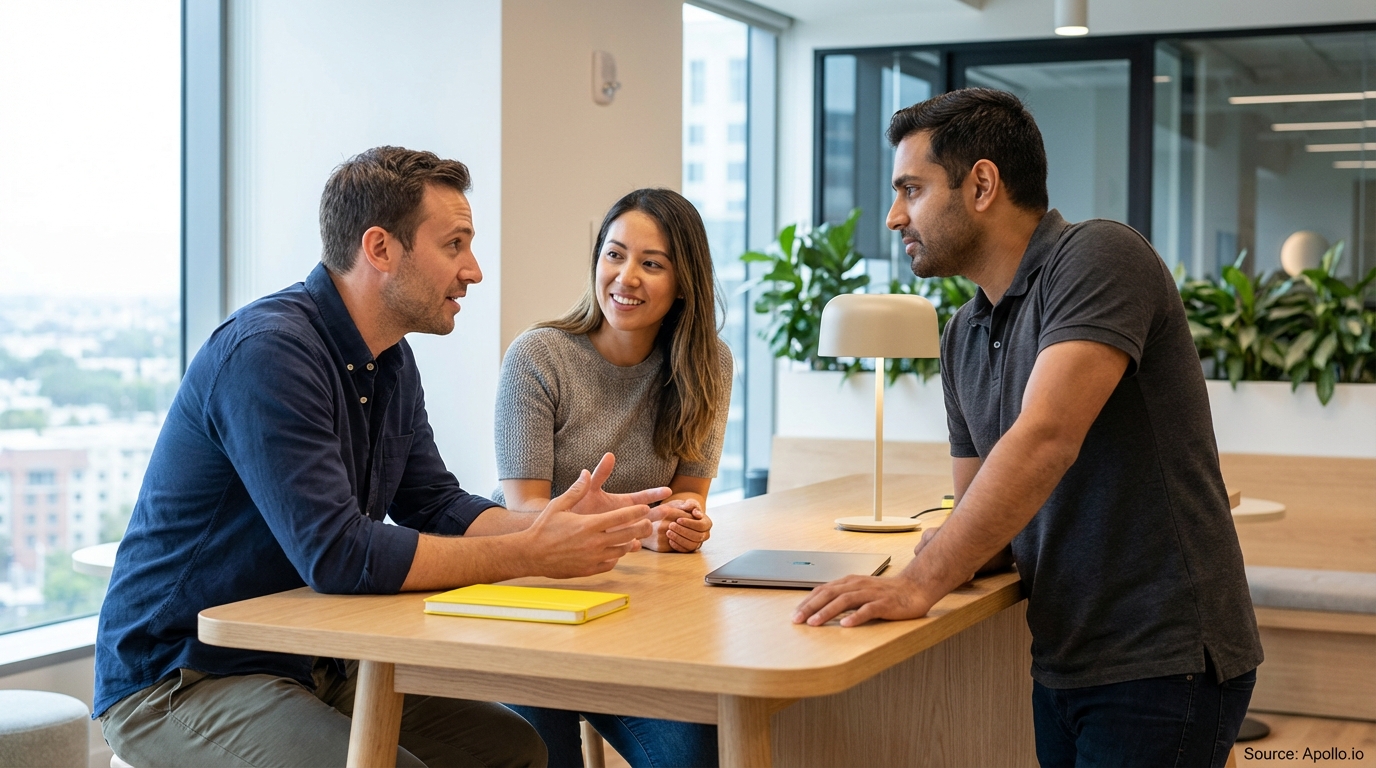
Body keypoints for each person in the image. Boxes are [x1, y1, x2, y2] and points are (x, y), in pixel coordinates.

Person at [93, 147, 673, 768]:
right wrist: (528, 551)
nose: (473, 271)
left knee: (514, 751)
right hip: (183, 676)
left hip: (315, 661)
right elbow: (337, 554)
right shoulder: (269, 354)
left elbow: (435, 504)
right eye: (455, 245)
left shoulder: (391, 358)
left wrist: (555, 522)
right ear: (380, 249)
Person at [792, 89, 1264, 768]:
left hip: (1164, 659)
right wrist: (948, 546)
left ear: (982, 184)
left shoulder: (1099, 257)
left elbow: (1047, 437)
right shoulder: (961, 333)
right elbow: (987, 514)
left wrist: (922, 580)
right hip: (1064, 657)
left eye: (912, 189)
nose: (896, 216)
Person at [492, 188, 732, 768]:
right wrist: (640, 524)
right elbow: (527, 517)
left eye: (652, 263)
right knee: (545, 759)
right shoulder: (538, 357)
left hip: (633, 616)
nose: (626, 276)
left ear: (684, 283)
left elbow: (685, 502)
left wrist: (678, 526)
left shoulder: (707, 365)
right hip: (533, 610)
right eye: (614, 254)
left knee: (696, 756)